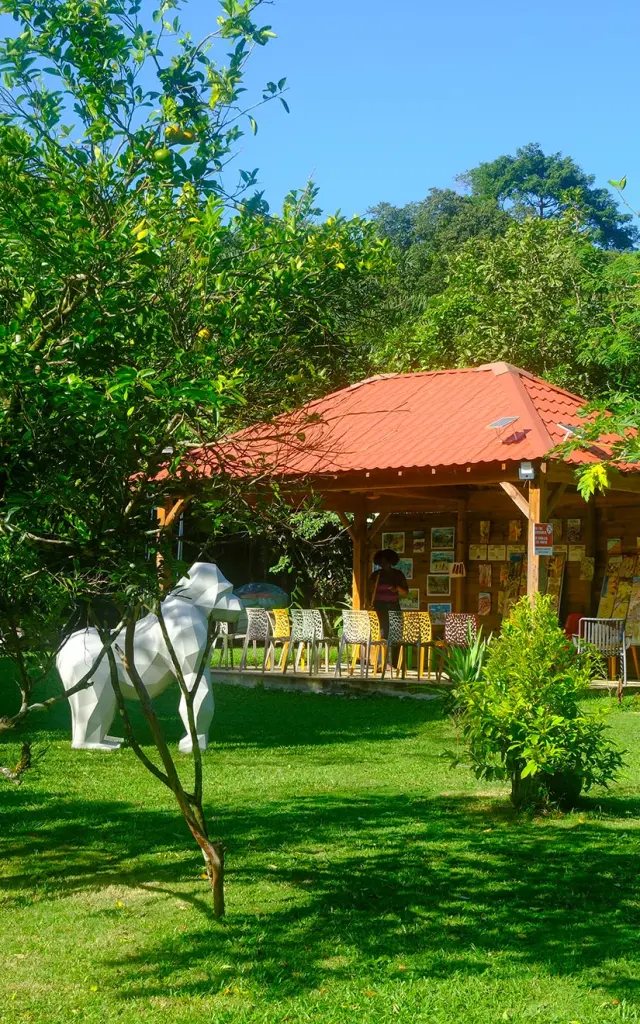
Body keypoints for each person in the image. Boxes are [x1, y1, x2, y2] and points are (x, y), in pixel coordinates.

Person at [369, 548, 409, 640]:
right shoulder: (376, 574)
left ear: (391, 562)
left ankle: (394, 654)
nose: (383, 564)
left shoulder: (398, 574)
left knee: (396, 634)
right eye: (381, 562)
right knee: (382, 634)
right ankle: (383, 653)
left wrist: (397, 588)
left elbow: (405, 592)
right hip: (379, 607)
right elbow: (369, 591)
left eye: (385, 561)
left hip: (394, 607)